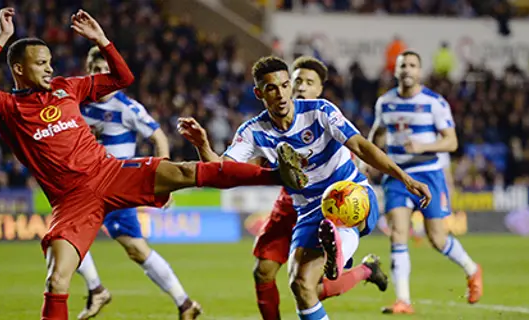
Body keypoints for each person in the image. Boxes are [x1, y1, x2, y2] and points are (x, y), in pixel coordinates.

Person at [0, 8, 307, 320]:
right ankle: (141, 298)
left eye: (50, 61)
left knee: (187, 171)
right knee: (58, 279)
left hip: (111, 172)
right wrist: (2, 37)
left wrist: (103, 41)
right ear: (19, 69)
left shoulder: (66, 87)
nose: (50, 67)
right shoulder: (6, 108)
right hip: (72, 201)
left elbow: (123, 78)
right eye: (42, 63)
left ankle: (277, 174)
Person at [178, 56, 431, 320]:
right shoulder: (254, 131)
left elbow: (361, 147)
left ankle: (338, 250)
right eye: (272, 88)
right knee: (301, 286)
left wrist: (405, 178)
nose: (282, 94)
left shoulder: (320, 111)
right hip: (308, 210)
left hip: (350, 193)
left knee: (338, 218)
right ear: (259, 93)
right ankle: (340, 255)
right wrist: (203, 146)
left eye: (285, 85)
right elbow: (222, 172)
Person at [74, 46, 199, 320]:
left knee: (135, 249)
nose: (97, 75)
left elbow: (159, 137)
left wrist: (164, 179)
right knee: (65, 238)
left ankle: (184, 302)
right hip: (86, 188)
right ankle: (97, 290)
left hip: (117, 186)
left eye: (103, 71)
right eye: (93, 70)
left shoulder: (126, 107)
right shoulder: (77, 106)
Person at [367, 50, 483, 315]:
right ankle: (403, 301)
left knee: (438, 239)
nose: (407, 69)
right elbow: (377, 132)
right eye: (402, 65)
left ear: (419, 71)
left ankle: (472, 269)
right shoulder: (385, 102)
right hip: (397, 177)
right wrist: (367, 159)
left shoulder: (435, 103)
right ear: (395, 71)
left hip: (429, 175)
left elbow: (451, 142)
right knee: (398, 232)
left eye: (412, 65)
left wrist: (423, 146)